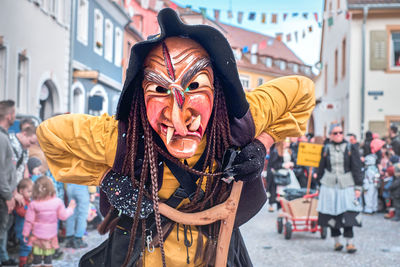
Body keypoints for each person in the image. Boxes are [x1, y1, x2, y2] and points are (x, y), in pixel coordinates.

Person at [36, 8, 315, 267]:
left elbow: (302, 91)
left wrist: (260, 144)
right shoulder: (122, 137)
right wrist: (108, 180)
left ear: (217, 89)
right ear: (139, 96)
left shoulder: (234, 123)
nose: (179, 118)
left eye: (194, 85)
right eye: (158, 89)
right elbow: (49, 135)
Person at [316, 123, 363, 253]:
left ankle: (350, 243)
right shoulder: (325, 149)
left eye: (340, 132)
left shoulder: (351, 147)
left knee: (348, 214)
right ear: (330, 135)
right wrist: (318, 183)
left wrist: (358, 187)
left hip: (346, 184)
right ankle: (337, 242)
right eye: (335, 133)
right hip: (329, 185)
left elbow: (357, 168)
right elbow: (321, 168)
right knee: (331, 213)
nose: (338, 135)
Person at [22, 176, 76, 267]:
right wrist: (70, 208)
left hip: (37, 236)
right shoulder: (57, 202)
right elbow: (63, 216)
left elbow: (29, 221)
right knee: (48, 259)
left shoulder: (33, 204)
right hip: (50, 236)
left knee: (37, 258)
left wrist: (25, 234)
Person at [0, 100, 19, 266]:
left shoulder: (4, 136)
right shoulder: (1, 138)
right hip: (2, 196)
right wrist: (7, 195)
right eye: (14, 112)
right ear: (9, 115)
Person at [13, 179, 33, 267]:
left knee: (28, 246)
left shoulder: (28, 201)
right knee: (25, 247)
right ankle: (23, 263)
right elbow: (21, 212)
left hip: (27, 230)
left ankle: (26, 261)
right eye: (29, 191)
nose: (31, 194)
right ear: (21, 191)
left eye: (32, 191)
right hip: (22, 230)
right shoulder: (21, 202)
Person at [64, 184, 90, 249]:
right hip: (81, 186)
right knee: (82, 214)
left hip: (69, 186)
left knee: (71, 212)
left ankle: (69, 238)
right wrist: (92, 191)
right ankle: (78, 239)